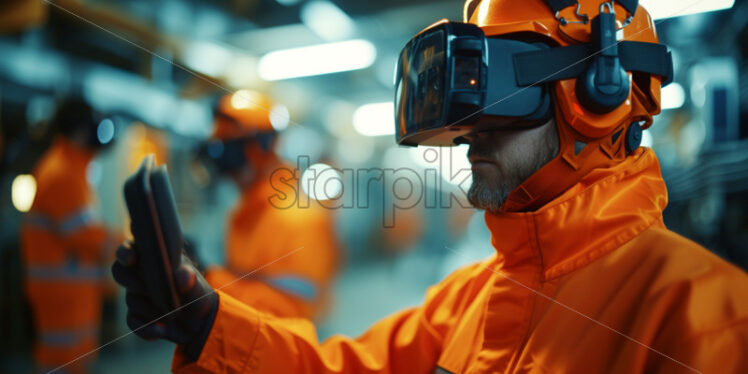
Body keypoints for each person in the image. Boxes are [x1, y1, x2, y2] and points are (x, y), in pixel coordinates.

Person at [112, 1, 748, 373]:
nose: (466, 131)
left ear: (595, 95)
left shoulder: (708, 320)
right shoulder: (471, 296)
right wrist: (205, 325)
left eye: (492, 93)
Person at [195, 90, 339, 320]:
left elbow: (298, 310)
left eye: (230, 148)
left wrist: (210, 283)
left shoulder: (301, 218)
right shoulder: (241, 215)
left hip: (295, 348)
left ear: (260, 147)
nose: (224, 163)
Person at [20, 98, 119, 374]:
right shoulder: (61, 172)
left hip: (70, 293)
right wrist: (125, 244)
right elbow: (81, 234)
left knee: (73, 361)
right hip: (62, 296)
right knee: (61, 363)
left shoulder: (71, 169)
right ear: (78, 130)